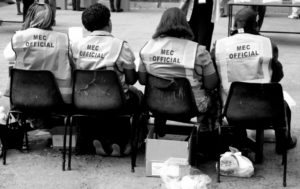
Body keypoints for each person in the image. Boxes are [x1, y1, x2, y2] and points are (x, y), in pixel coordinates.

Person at [212, 7, 297, 154]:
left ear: (234, 25)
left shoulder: (219, 46)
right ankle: (283, 143)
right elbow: (277, 77)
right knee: (284, 106)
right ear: (256, 25)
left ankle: (240, 140)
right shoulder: (267, 44)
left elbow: (213, 77)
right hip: (265, 109)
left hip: (230, 109)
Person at [71, 3, 143, 156]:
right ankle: (123, 142)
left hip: (83, 101)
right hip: (115, 101)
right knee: (136, 97)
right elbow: (130, 79)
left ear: (86, 25)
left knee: (98, 102)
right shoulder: (120, 46)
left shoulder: (76, 46)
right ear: (109, 23)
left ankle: (94, 140)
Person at [139, 7, 219, 138]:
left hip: (155, 103)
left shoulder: (147, 47)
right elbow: (211, 84)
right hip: (191, 106)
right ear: (185, 24)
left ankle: (160, 126)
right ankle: (205, 137)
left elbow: (142, 80)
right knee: (214, 97)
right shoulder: (199, 51)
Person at [3, 2, 73, 105]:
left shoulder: (20, 37)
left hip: (23, 96)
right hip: (57, 98)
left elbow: (8, 56)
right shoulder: (62, 39)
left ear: (29, 17)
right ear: (51, 19)